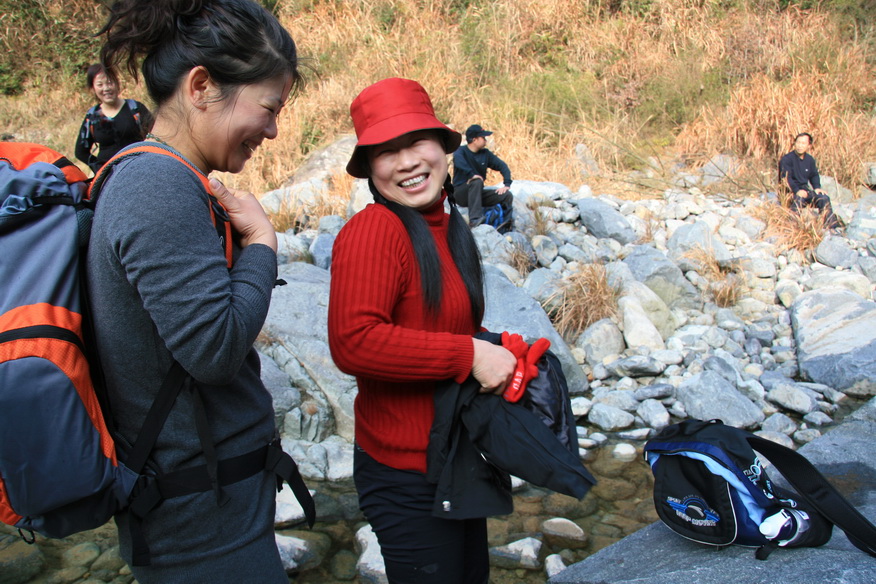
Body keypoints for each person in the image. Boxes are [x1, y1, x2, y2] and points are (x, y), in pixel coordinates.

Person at [86, 1, 303, 581]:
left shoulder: (164, 178)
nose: (273, 130)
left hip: (211, 509)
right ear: (202, 86)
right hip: (200, 530)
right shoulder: (156, 186)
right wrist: (260, 244)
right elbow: (214, 349)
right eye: (268, 108)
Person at [328, 78, 518, 583]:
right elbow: (354, 341)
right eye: (386, 152)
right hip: (402, 473)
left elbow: (445, 323)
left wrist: (498, 346)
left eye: (416, 142)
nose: (407, 161)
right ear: (370, 169)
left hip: (453, 458)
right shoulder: (375, 230)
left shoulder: (449, 224)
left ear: (442, 148)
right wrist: (471, 356)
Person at [74, 63, 152, 174]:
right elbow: (80, 151)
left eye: (110, 82)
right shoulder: (92, 117)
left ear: (117, 83)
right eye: (100, 85)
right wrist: (100, 169)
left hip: (139, 169)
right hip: (109, 177)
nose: (106, 88)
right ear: (93, 88)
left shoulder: (135, 109)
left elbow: (157, 135)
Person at [452, 124, 514, 229]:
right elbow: (459, 163)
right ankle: (474, 220)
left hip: (477, 194)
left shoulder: (485, 154)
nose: (486, 140)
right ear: (474, 139)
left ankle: (506, 224)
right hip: (460, 194)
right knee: (476, 181)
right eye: (483, 138)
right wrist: (471, 175)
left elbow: (502, 166)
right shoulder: (460, 151)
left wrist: (506, 184)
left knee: (507, 195)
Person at [778, 132, 840, 231]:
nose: (800, 146)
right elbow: (786, 178)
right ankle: (792, 228)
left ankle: (831, 227)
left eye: (803, 143)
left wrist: (817, 188)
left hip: (805, 191)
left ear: (809, 145)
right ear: (795, 143)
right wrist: (796, 190)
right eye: (798, 143)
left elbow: (814, 175)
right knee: (798, 199)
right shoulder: (787, 159)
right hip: (790, 192)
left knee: (823, 198)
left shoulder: (810, 160)